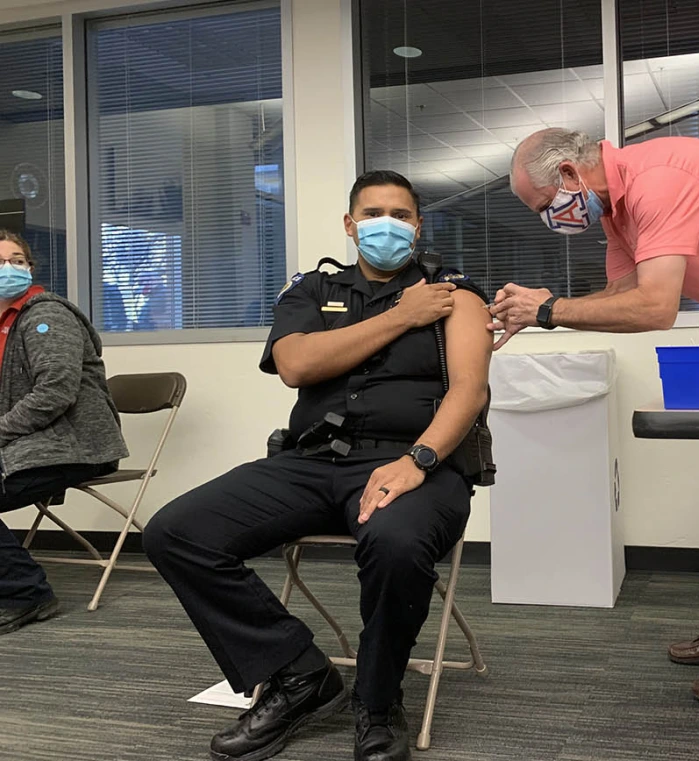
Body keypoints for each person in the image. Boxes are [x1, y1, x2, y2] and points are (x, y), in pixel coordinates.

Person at [143, 170, 491, 761]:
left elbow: (469, 391)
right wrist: (402, 317)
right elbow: (297, 366)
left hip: (414, 464)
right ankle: (299, 672)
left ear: (418, 225)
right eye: (374, 213)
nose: (389, 225)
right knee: (174, 532)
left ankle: (378, 702)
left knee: (396, 543)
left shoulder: (454, 294)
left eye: (402, 215)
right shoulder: (311, 290)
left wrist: (419, 459)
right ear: (351, 226)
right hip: (312, 460)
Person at [492, 129, 699, 706]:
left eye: (543, 206)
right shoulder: (617, 212)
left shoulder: (659, 180)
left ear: (572, 176)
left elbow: (654, 306)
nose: (550, 219)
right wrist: (539, 314)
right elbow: (619, 291)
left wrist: (549, 309)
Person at [0, 229, 128, 636]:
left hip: (74, 444)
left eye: (17, 260)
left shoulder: (44, 316)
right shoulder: (5, 324)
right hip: (33, 443)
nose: (9, 268)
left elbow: (54, 392)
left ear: (30, 268)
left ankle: (26, 593)